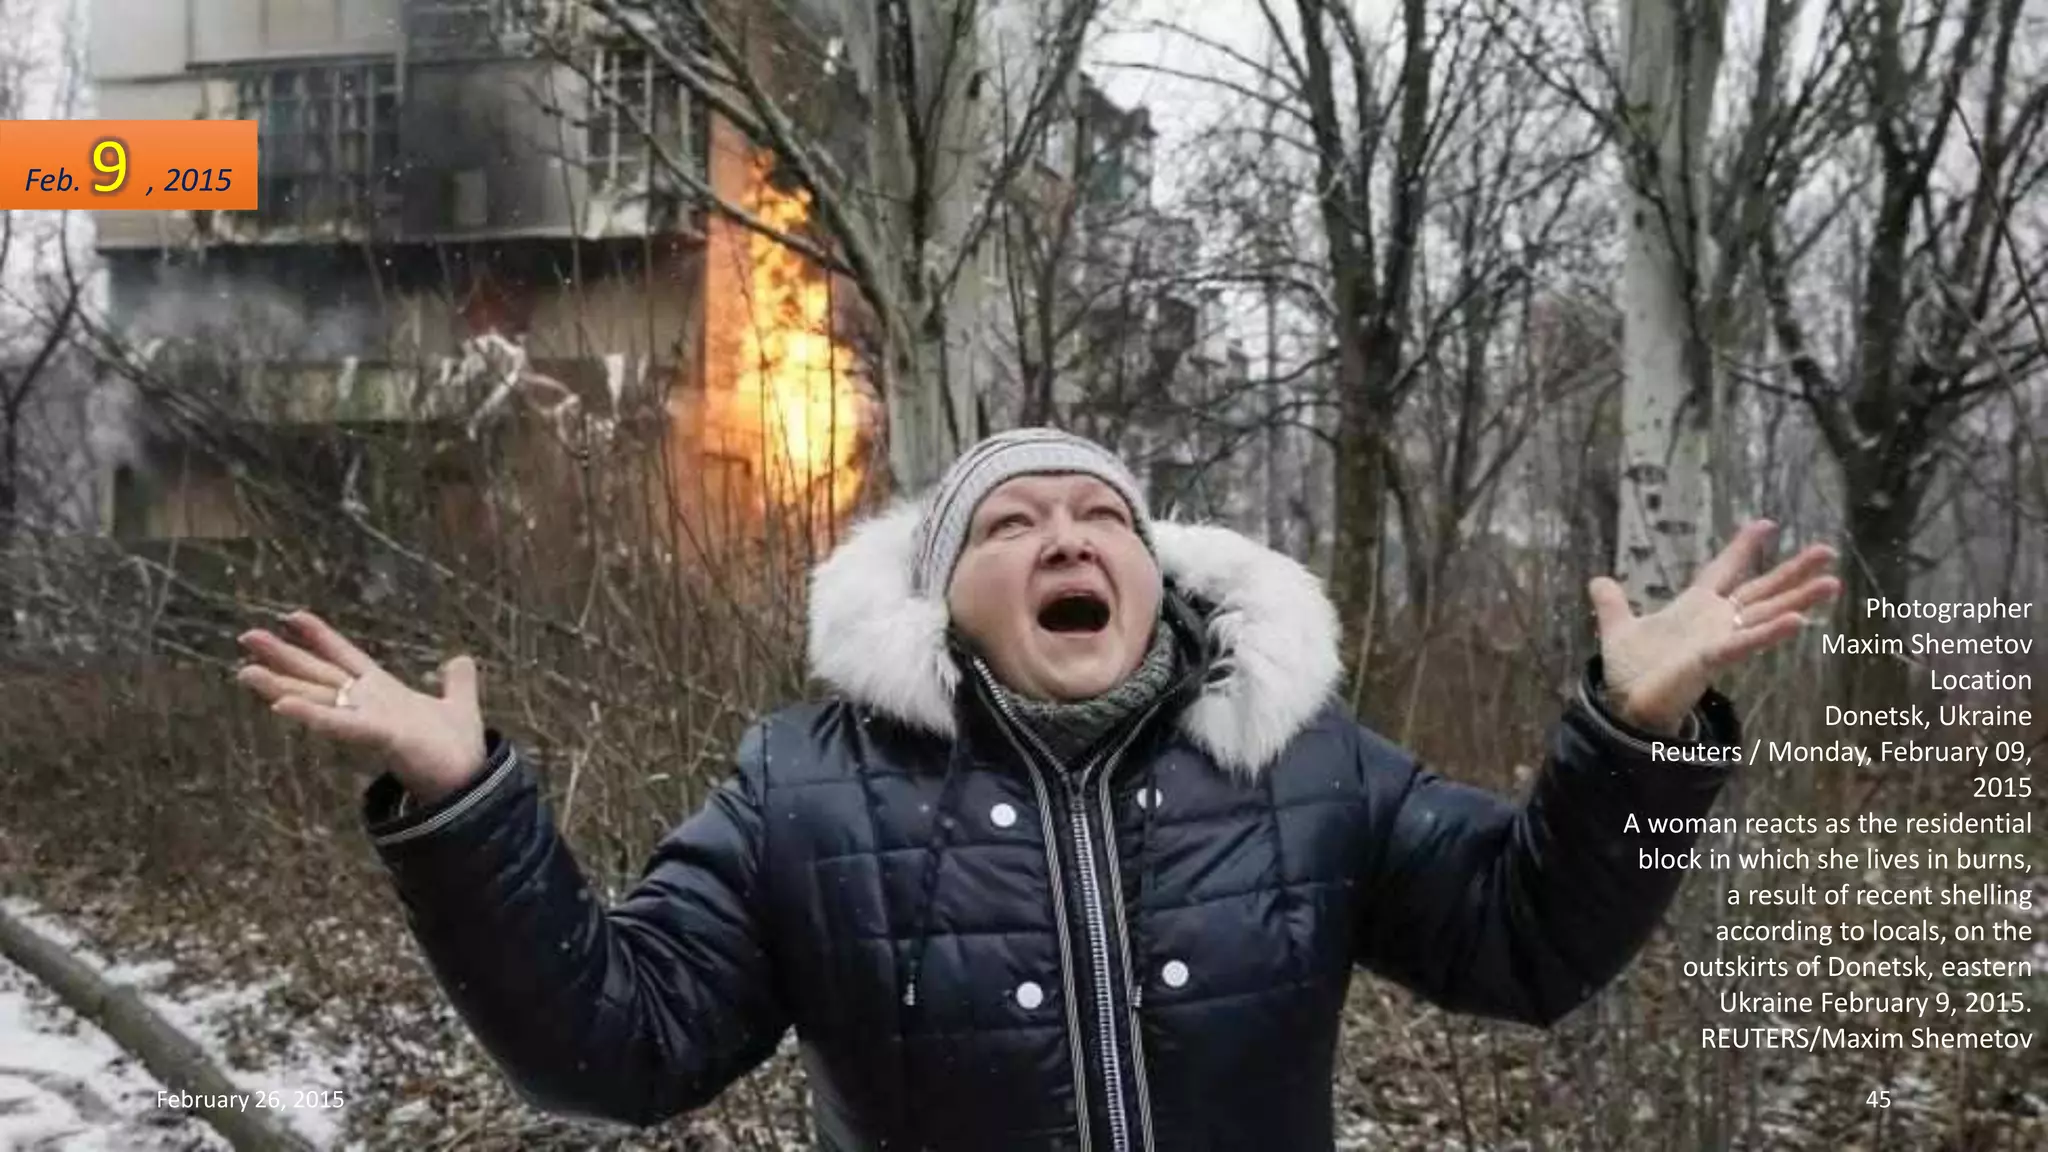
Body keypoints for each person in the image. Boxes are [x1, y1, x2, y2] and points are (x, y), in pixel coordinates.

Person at [234, 427, 1838, 1151]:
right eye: (1011, 525)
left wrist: (1633, 737)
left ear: (1152, 573)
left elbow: (1528, 942)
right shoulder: (806, 791)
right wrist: (469, 810)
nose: (1067, 536)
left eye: (1101, 516)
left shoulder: (1300, 761)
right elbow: (617, 1050)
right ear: (942, 600)